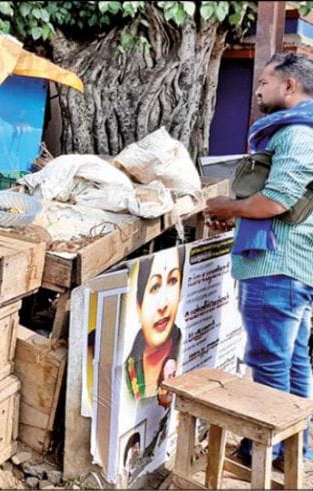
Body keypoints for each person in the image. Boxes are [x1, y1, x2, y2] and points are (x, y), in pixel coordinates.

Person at [206, 52, 313, 464]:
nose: (258, 91)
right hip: (288, 264)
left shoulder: (297, 134)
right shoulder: (291, 132)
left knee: (269, 363)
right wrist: (233, 215)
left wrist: (226, 206)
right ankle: (294, 450)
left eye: (264, 83)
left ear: (289, 85)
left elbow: (276, 202)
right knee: (294, 360)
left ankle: (259, 454)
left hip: (277, 268)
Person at [124, 246, 185, 407]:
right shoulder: (127, 373)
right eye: (155, 287)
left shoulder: (184, 350)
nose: (163, 304)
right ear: (139, 305)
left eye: (172, 281)